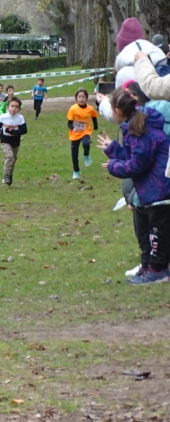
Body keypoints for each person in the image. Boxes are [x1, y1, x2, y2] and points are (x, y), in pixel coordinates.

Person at [100, 89, 170, 284]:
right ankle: (150, 266)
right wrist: (113, 149)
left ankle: (158, 270)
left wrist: (114, 166)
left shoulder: (141, 131)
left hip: (160, 189)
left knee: (158, 232)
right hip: (153, 188)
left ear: (117, 111)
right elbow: (135, 157)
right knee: (153, 230)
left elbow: (137, 165)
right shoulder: (136, 127)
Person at [0, 97, 27, 186]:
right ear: (8, 107)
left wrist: (14, 132)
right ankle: (6, 175)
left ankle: (9, 175)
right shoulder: (3, 117)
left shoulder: (20, 118)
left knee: (13, 159)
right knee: (9, 156)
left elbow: (24, 130)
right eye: (12, 106)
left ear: (19, 109)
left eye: (16, 107)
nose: (14, 108)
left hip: (15, 141)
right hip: (5, 140)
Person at [67, 89, 98, 179]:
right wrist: (73, 128)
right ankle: (76, 171)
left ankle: (86, 155)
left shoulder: (90, 108)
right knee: (74, 154)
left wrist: (95, 126)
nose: (81, 99)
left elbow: (94, 116)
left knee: (86, 143)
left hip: (85, 131)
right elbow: (69, 123)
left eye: (83, 97)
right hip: (75, 134)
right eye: (79, 97)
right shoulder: (73, 109)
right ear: (76, 98)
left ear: (86, 98)